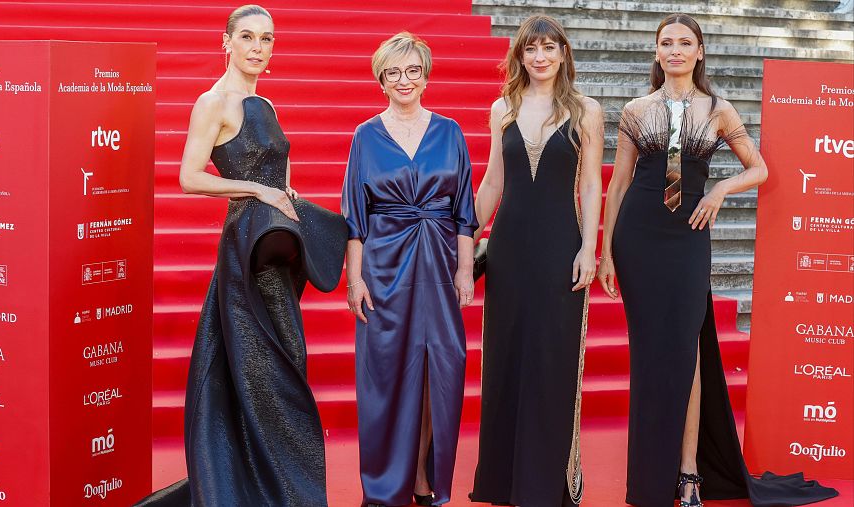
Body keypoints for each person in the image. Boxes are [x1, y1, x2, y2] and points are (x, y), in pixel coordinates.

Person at [596, 13, 838, 507]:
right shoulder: (636, 109)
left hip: (689, 235)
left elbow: (760, 168)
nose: (676, 50)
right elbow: (618, 183)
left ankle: (689, 474)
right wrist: (605, 251)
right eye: (667, 42)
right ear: (657, 51)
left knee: (688, 350)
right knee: (649, 354)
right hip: (638, 236)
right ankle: (648, 479)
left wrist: (723, 187)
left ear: (700, 52)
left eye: (685, 42)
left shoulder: (719, 109)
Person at [134, 5, 347, 506]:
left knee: (284, 366)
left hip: (277, 252)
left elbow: (283, 178)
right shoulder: (214, 103)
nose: (257, 47)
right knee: (258, 371)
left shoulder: (265, 104)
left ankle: (272, 486)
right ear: (225, 41)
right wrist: (255, 190)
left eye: (266, 39)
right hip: (245, 255)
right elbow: (190, 176)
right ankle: (267, 491)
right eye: (247, 36)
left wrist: (293, 209)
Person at [468, 15, 603, 507]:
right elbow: (492, 184)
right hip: (508, 251)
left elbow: (590, 183)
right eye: (531, 49)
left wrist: (590, 247)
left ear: (563, 53)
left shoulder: (586, 110)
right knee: (505, 359)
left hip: (559, 248)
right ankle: (505, 481)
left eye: (549, 48)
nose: (540, 57)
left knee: (553, 360)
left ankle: (548, 484)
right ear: (520, 56)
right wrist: (463, 239)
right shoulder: (502, 107)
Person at [341, 32, 478, 507]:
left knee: (439, 369)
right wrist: (354, 279)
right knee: (387, 371)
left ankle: (423, 473)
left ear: (426, 75)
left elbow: (465, 211)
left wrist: (465, 271)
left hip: (440, 262)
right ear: (381, 80)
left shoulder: (450, 131)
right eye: (393, 72)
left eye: (412, 70)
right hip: (383, 264)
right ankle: (387, 485)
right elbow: (354, 217)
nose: (404, 80)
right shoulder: (365, 135)